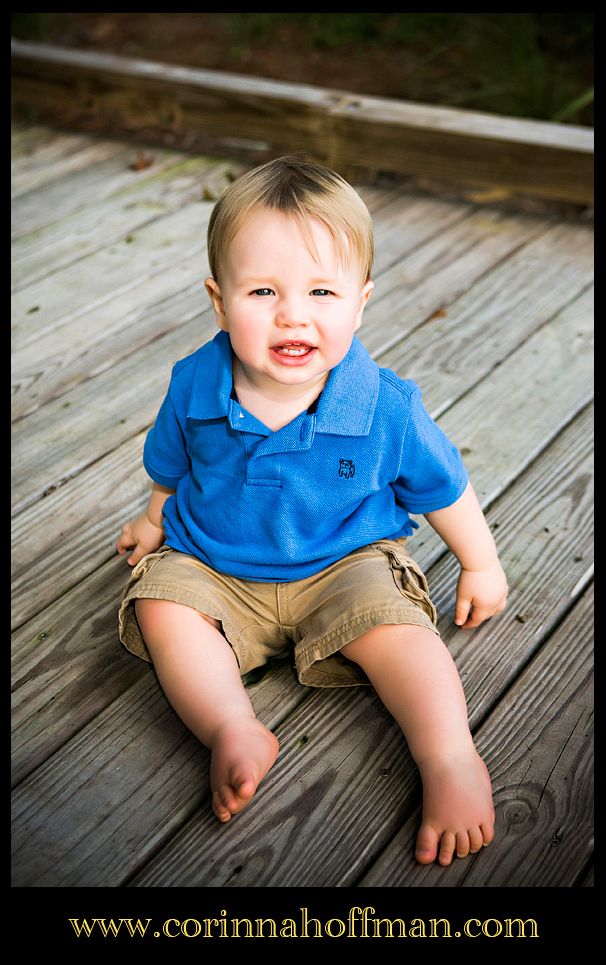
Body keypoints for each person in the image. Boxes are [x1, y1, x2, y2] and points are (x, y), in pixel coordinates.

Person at [116, 155, 508, 868]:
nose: (293, 313)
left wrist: (480, 561)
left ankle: (450, 757)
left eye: (321, 290)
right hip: (215, 562)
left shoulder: (385, 404)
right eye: (263, 290)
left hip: (345, 562)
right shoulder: (196, 384)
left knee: (403, 634)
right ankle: (233, 726)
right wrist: (152, 520)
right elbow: (172, 466)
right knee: (162, 606)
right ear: (218, 300)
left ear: (360, 302)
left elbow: (444, 486)